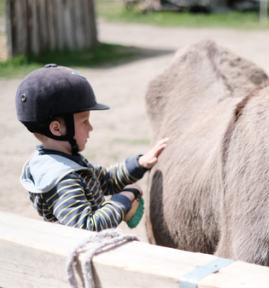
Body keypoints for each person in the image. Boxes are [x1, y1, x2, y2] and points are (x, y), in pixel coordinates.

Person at [15, 64, 168, 231]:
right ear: (57, 128)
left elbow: (105, 180)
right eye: (84, 121)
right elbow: (87, 228)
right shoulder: (63, 179)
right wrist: (122, 201)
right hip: (81, 253)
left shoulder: (64, 160)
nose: (90, 128)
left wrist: (139, 164)